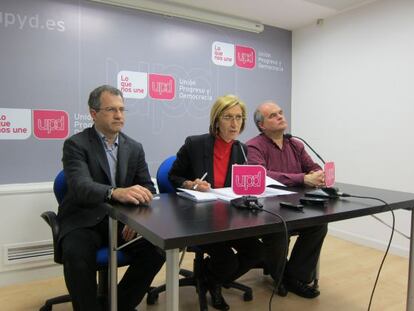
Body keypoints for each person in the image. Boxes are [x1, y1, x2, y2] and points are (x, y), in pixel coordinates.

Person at [58, 85, 165, 311]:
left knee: (156, 251)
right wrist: (114, 192)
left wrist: (137, 221)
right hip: (84, 219)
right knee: (76, 255)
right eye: (111, 110)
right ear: (94, 113)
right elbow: (81, 187)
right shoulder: (76, 145)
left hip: (121, 221)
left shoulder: (134, 147)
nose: (119, 115)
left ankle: (118, 305)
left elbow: (147, 188)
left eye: (122, 109)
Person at [169, 95, 264, 310]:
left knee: (257, 252)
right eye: (228, 117)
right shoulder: (195, 144)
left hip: (230, 217)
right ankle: (215, 279)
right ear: (216, 121)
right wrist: (191, 184)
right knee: (227, 260)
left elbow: (239, 186)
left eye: (239, 117)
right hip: (199, 218)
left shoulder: (242, 149)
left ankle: (212, 280)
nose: (234, 123)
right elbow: (173, 176)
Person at [246, 101, 327, 299]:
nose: (281, 116)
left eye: (281, 113)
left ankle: (294, 276)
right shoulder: (252, 146)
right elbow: (262, 175)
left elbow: (312, 166)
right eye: (273, 115)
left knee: (319, 224)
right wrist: (302, 178)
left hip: (297, 204)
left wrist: (318, 174)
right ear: (262, 125)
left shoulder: (295, 144)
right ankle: (279, 275)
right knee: (279, 228)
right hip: (269, 209)